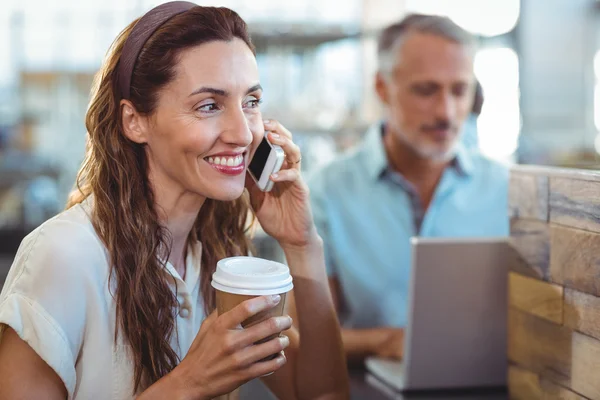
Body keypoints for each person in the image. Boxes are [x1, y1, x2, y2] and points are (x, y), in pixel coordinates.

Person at [0, 2, 349, 399]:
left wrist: (302, 245)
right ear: (134, 121)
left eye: (250, 101)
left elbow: (322, 395)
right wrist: (189, 384)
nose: (242, 133)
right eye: (209, 106)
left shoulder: (220, 251)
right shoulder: (64, 256)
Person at [308, 14, 509, 364]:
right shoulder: (328, 191)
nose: (446, 112)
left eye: (459, 90)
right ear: (383, 88)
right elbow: (304, 337)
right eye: (426, 90)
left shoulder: (507, 189)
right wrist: (385, 342)